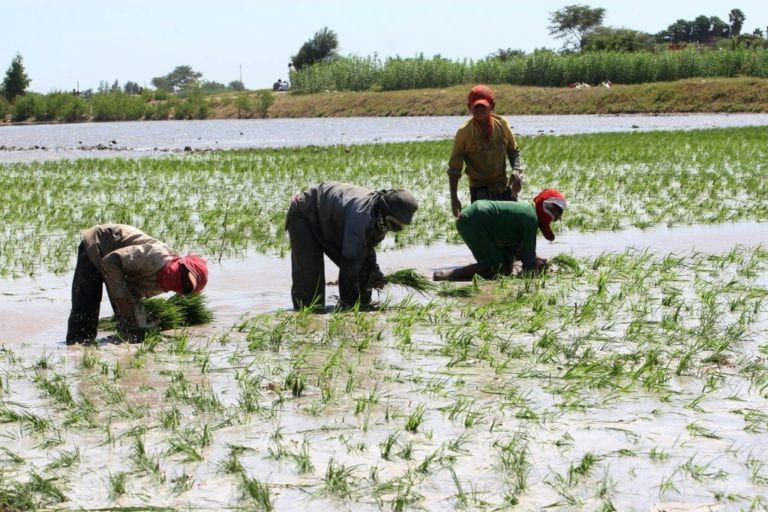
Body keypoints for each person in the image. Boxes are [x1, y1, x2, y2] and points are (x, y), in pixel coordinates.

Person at [66, 224, 209, 344]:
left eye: (186, 286)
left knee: (131, 329)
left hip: (119, 268)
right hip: (97, 245)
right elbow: (110, 262)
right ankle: (75, 351)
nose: (181, 283)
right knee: (85, 312)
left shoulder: (163, 284)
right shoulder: (155, 256)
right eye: (184, 276)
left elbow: (134, 293)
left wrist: (140, 323)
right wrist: (122, 299)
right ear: (180, 262)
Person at [285, 181, 418, 310]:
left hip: (329, 218)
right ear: (388, 215)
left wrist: (373, 271)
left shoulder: (378, 218)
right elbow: (350, 263)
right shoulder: (361, 216)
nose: (398, 229)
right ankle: (306, 318)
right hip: (305, 212)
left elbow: (365, 250)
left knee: (364, 271)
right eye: (396, 226)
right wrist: (348, 306)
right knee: (309, 283)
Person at [434, 189, 567, 281]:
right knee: (495, 269)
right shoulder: (531, 218)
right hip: (474, 221)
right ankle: (446, 275)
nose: (554, 217)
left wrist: (535, 259)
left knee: (506, 265)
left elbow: (519, 249)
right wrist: (539, 266)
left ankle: (477, 267)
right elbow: (529, 262)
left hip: (475, 217)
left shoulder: (529, 211)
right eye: (554, 212)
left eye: (556, 215)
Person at [447, 84, 525, 218]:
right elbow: (454, 169)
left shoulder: (502, 124)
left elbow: (513, 151)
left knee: (511, 225)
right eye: (475, 107)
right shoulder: (464, 132)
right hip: (479, 189)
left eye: (483, 106)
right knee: (486, 228)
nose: (479, 110)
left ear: (492, 106)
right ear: (469, 107)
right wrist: (454, 199)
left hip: (503, 186)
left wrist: (517, 171)